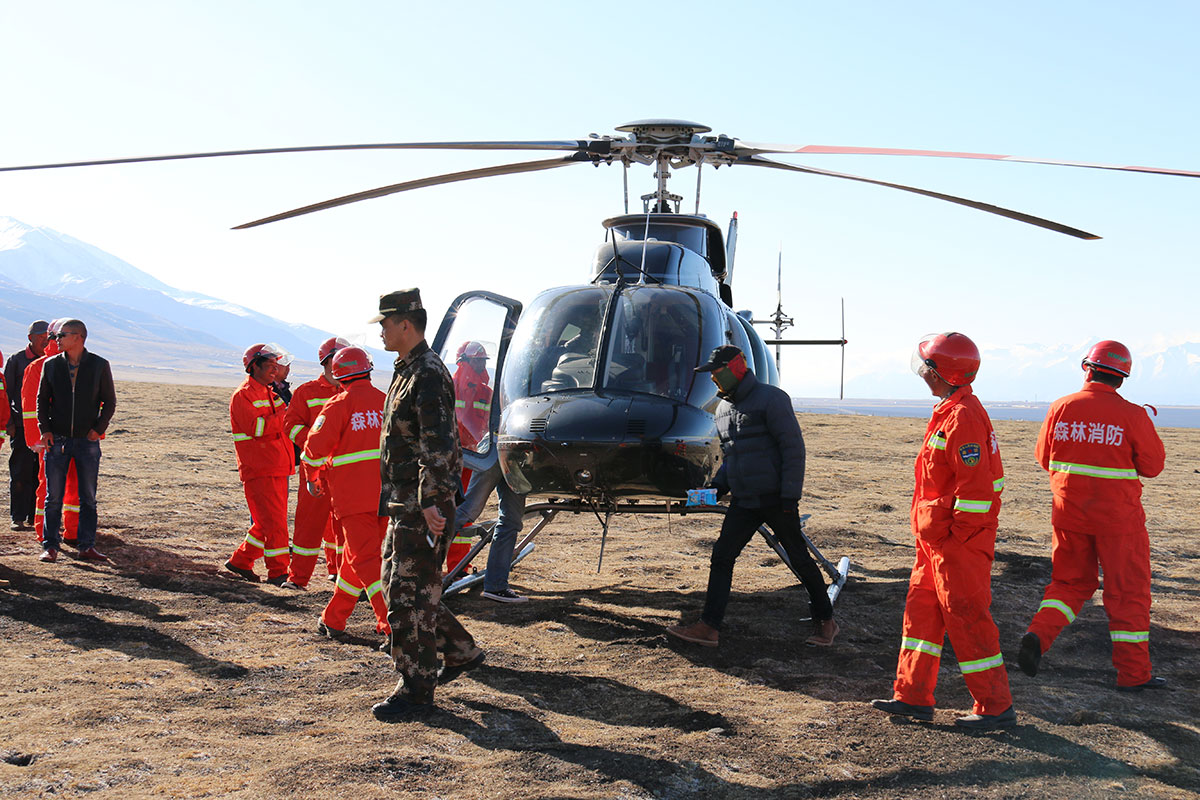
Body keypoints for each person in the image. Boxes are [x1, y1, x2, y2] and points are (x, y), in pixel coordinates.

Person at [870, 332, 1014, 730]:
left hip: (957, 543)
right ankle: (912, 696)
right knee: (922, 616)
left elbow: (978, 489)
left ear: (940, 372)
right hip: (935, 539)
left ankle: (995, 706)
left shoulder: (963, 416)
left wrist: (958, 537)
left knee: (967, 617)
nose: (921, 373)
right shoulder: (950, 410)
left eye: (925, 367)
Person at [1017, 340, 1166, 692]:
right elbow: (1153, 467)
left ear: (1087, 368)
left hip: (1069, 515)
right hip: (1120, 524)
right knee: (1127, 593)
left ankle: (1039, 634)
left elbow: (1043, 458)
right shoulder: (1133, 415)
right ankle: (1133, 674)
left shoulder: (1060, 407)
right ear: (1122, 378)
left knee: (1069, 585)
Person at [665, 345, 837, 649]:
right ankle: (709, 627)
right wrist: (717, 489)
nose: (714, 380)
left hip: (776, 500)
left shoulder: (772, 399)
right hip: (744, 502)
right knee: (722, 556)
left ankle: (826, 622)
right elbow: (732, 458)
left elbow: (793, 450)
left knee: (798, 559)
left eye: (717, 373)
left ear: (734, 369)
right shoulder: (722, 410)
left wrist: (789, 499)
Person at [370, 289, 484, 721]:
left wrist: (434, 500)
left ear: (405, 324)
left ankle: (416, 689)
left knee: (409, 597)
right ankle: (458, 651)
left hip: (421, 504)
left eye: (384, 323)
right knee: (401, 586)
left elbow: (438, 444)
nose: (380, 330)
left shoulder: (428, 374)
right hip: (405, 502)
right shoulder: (409, 369)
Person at [302, 346, 392, 639]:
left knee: (366, 561)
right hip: (387, 496)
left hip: (353, 499)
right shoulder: (387, 402)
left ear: (339, 376)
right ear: (368, 369)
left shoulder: (338, 406)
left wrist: (311, 479)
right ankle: (334, 619)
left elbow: (313, 452)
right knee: (358, 557)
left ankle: (391, 622)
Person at [36, 319, 116, 563]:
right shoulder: (50, 365)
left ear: (79, 337)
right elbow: (42, 401)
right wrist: (45, 430)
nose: (56, 339)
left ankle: (86, 546)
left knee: (88, 498)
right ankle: (50, 546)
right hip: (57, 440)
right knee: (53, 498)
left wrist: (97, 429)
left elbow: (109, 402)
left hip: (86, 442)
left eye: (62, 335)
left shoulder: (99, 365)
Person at [281, 336, 350, 589]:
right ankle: (298, 579)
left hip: (346, 472)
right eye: (337, 359)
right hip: (315, 470)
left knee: (345, 527)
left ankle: (344, 577)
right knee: (308, 525)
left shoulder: (353, 392)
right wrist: (314, 443)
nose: (342, 365)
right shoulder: (306, 392)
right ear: (325, 362)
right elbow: (290, 425)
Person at [224, 343, 295, 584]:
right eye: (270, 367)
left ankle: (240, 561)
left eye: (277, 367)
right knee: (274, 524)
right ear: (254, 367)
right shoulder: (244, 395)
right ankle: (278, 572)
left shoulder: (268, 392)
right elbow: (257, 428)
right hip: (260, 468)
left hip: (275, 466)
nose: (275, 372)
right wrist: (285, 415)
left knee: (266, 522)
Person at [24, 320, 81, 545]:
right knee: (48, 487)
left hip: (78, 438)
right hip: (50, 439)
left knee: (75, 487)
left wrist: (94, 433)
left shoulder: (83, 364)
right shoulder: (37, 367)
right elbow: (30, 407)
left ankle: (73, 532)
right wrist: (34, 439)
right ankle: (44, 532)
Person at [452, 460, 529, 603]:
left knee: (510, 521)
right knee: (467, 511)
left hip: (515, 457)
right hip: (494, 453)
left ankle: (496, 586)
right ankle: (420, 571)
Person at [6, 320, 50, 531]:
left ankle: (36, 517)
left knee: (40, 473)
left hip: (45, 429)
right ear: (30, 338)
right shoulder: (17, 361)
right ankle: (18, 517)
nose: (45, 340)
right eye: (41, 336)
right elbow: (6, 393)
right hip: (22, 427)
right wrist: (9, 423)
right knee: (20, 472)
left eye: (47, 336)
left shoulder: (54, 361)